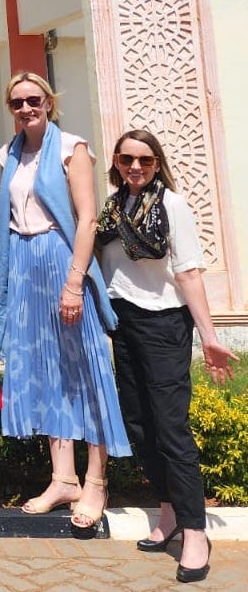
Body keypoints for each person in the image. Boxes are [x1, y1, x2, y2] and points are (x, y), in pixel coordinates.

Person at [97, 128, 238, 583]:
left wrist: (209, 335)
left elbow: (189, 272)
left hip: (163, 324)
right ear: (116, 162)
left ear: (157, 164)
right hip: (124, 322)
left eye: (145, 159)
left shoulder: (171, 205)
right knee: (140, 424)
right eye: (127, 159)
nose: (135, 166)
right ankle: (168, 511)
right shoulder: (113, 207)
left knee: (171, 426)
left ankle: (195, 530)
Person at [0, 71, 131, 530]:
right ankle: (63, 477)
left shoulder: (70, 147)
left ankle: (95, 481)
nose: (26, 108)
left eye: (34, 100)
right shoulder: (9, 154)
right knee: (45, 369)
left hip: (61, 256)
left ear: (48, 103)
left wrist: (74, 283)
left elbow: (88, 218)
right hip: (24, 260)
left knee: (85, 368)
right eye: (17, 103)